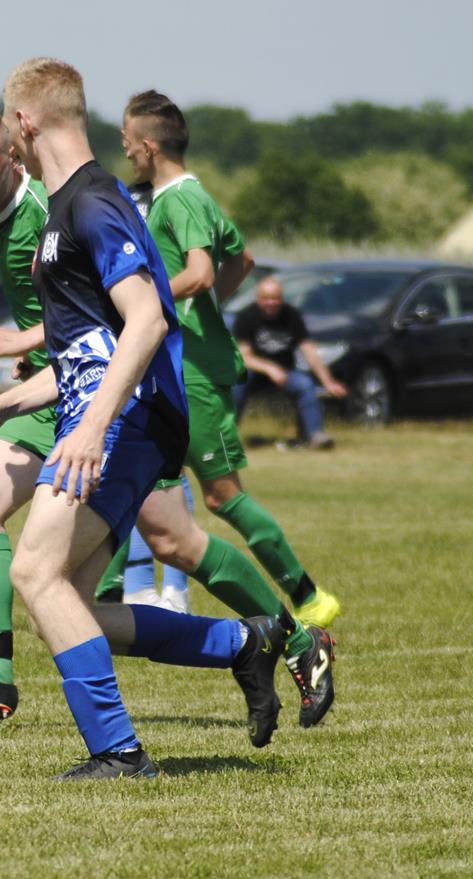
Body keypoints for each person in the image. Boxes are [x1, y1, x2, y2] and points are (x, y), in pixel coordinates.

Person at [0, 61, 318, 779]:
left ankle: (117, 749)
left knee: (33, 569)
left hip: (125, 424)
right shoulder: (64, 214)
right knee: (75, 603)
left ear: (23, 124)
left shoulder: (92, 204)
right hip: (109, 417)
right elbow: (90, 353)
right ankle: (245, 643)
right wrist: (5, 402)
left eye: (8, 121)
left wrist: (89, 429)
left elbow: (147, 320)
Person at [100, 91, 342, 652]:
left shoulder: (178, 200)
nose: (126, 150)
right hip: (181, 363)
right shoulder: (188, 195)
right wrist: (198, 314)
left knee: (222, 494)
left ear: (149, 144)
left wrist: (151, 303)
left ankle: (306, 597)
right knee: (127, 469)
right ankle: (106, 592)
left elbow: (203, 271)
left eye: (127, 141)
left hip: (195, 376)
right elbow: (244, 260)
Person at [235, 276, 349, 450]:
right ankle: (227, 435)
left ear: (281, 299)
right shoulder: (246, 317)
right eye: (267, 299)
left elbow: (309, 352)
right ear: (259, 299)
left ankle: (315, 436)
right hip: (255, 372)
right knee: (237, 383)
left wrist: (329, 382)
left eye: (276, 299)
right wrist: (270, 369)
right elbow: (244, 357)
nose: (271, 303)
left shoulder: (291, 315)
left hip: (285, 372)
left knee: (305, 385)